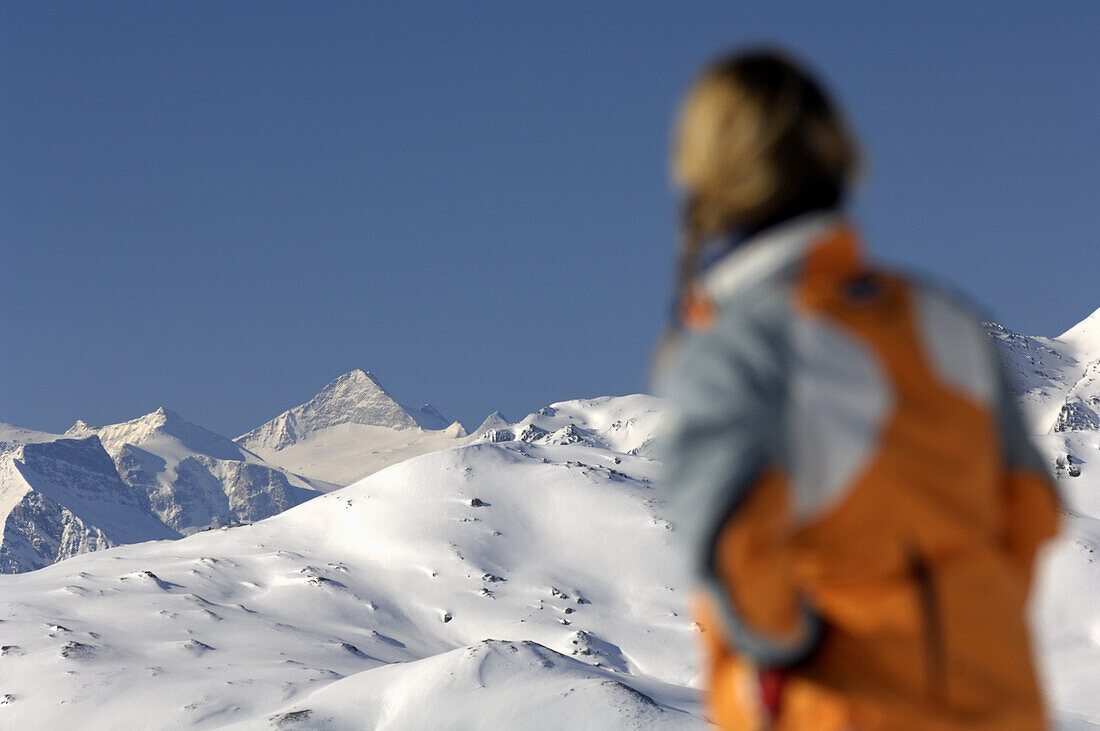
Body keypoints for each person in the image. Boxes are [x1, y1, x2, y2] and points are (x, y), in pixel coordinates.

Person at [656, 49, 1061, 730]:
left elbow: (735, 547)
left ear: (703, 171)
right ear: (838, 155)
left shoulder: (741, 353)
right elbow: (1029, 506)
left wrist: (794, 650)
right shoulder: (943, 319)